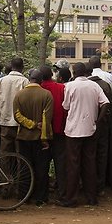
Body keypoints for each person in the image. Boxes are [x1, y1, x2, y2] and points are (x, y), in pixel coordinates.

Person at [58, 62, 109, 207]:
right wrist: (98, 121)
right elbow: (105, 103)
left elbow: (65, 106)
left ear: (74, 72)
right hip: (90, 129)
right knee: (90, 164)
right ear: (86, 72)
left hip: (73, 130)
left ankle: (71, 198)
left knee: (73, 165)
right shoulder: (94, 86)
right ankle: (91, 197)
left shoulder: (70, 86)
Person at [13, 69, 53, 207]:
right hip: (40, 139)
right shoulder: (47, 95)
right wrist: (44, 137)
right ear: (41, 81)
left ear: (29, 79)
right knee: (41, 168)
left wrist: (30, 125)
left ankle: (24, 196)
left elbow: (17, 116)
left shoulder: (19, 95)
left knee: (24, 168)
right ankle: (40, 197)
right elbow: (46, 118)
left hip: (23, 137)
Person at [40, 65, 67, 201]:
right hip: (59, 130)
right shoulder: (61, 88)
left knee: (42, 164)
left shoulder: (39, 90)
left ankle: (43, 195)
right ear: (52, 74)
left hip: (41, 133)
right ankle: (62, 194)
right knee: (60, 164)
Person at [86, 63, 112, 196]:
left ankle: (87, 185)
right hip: (103, 125)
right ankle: (100, 185)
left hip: (87, 125)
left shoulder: (86, 86)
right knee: (102, 155)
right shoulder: (105, 85)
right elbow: (109, 107)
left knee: (89, 155)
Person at [0, 58, 29, 155]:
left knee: (5, 152)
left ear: (11, 66)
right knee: (20, 152)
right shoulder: (25, 82)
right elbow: (26, 103)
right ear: (22, 68)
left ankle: (5, 171)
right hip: (20, 124)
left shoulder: (0, 82)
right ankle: (20, 170)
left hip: (5, 121)